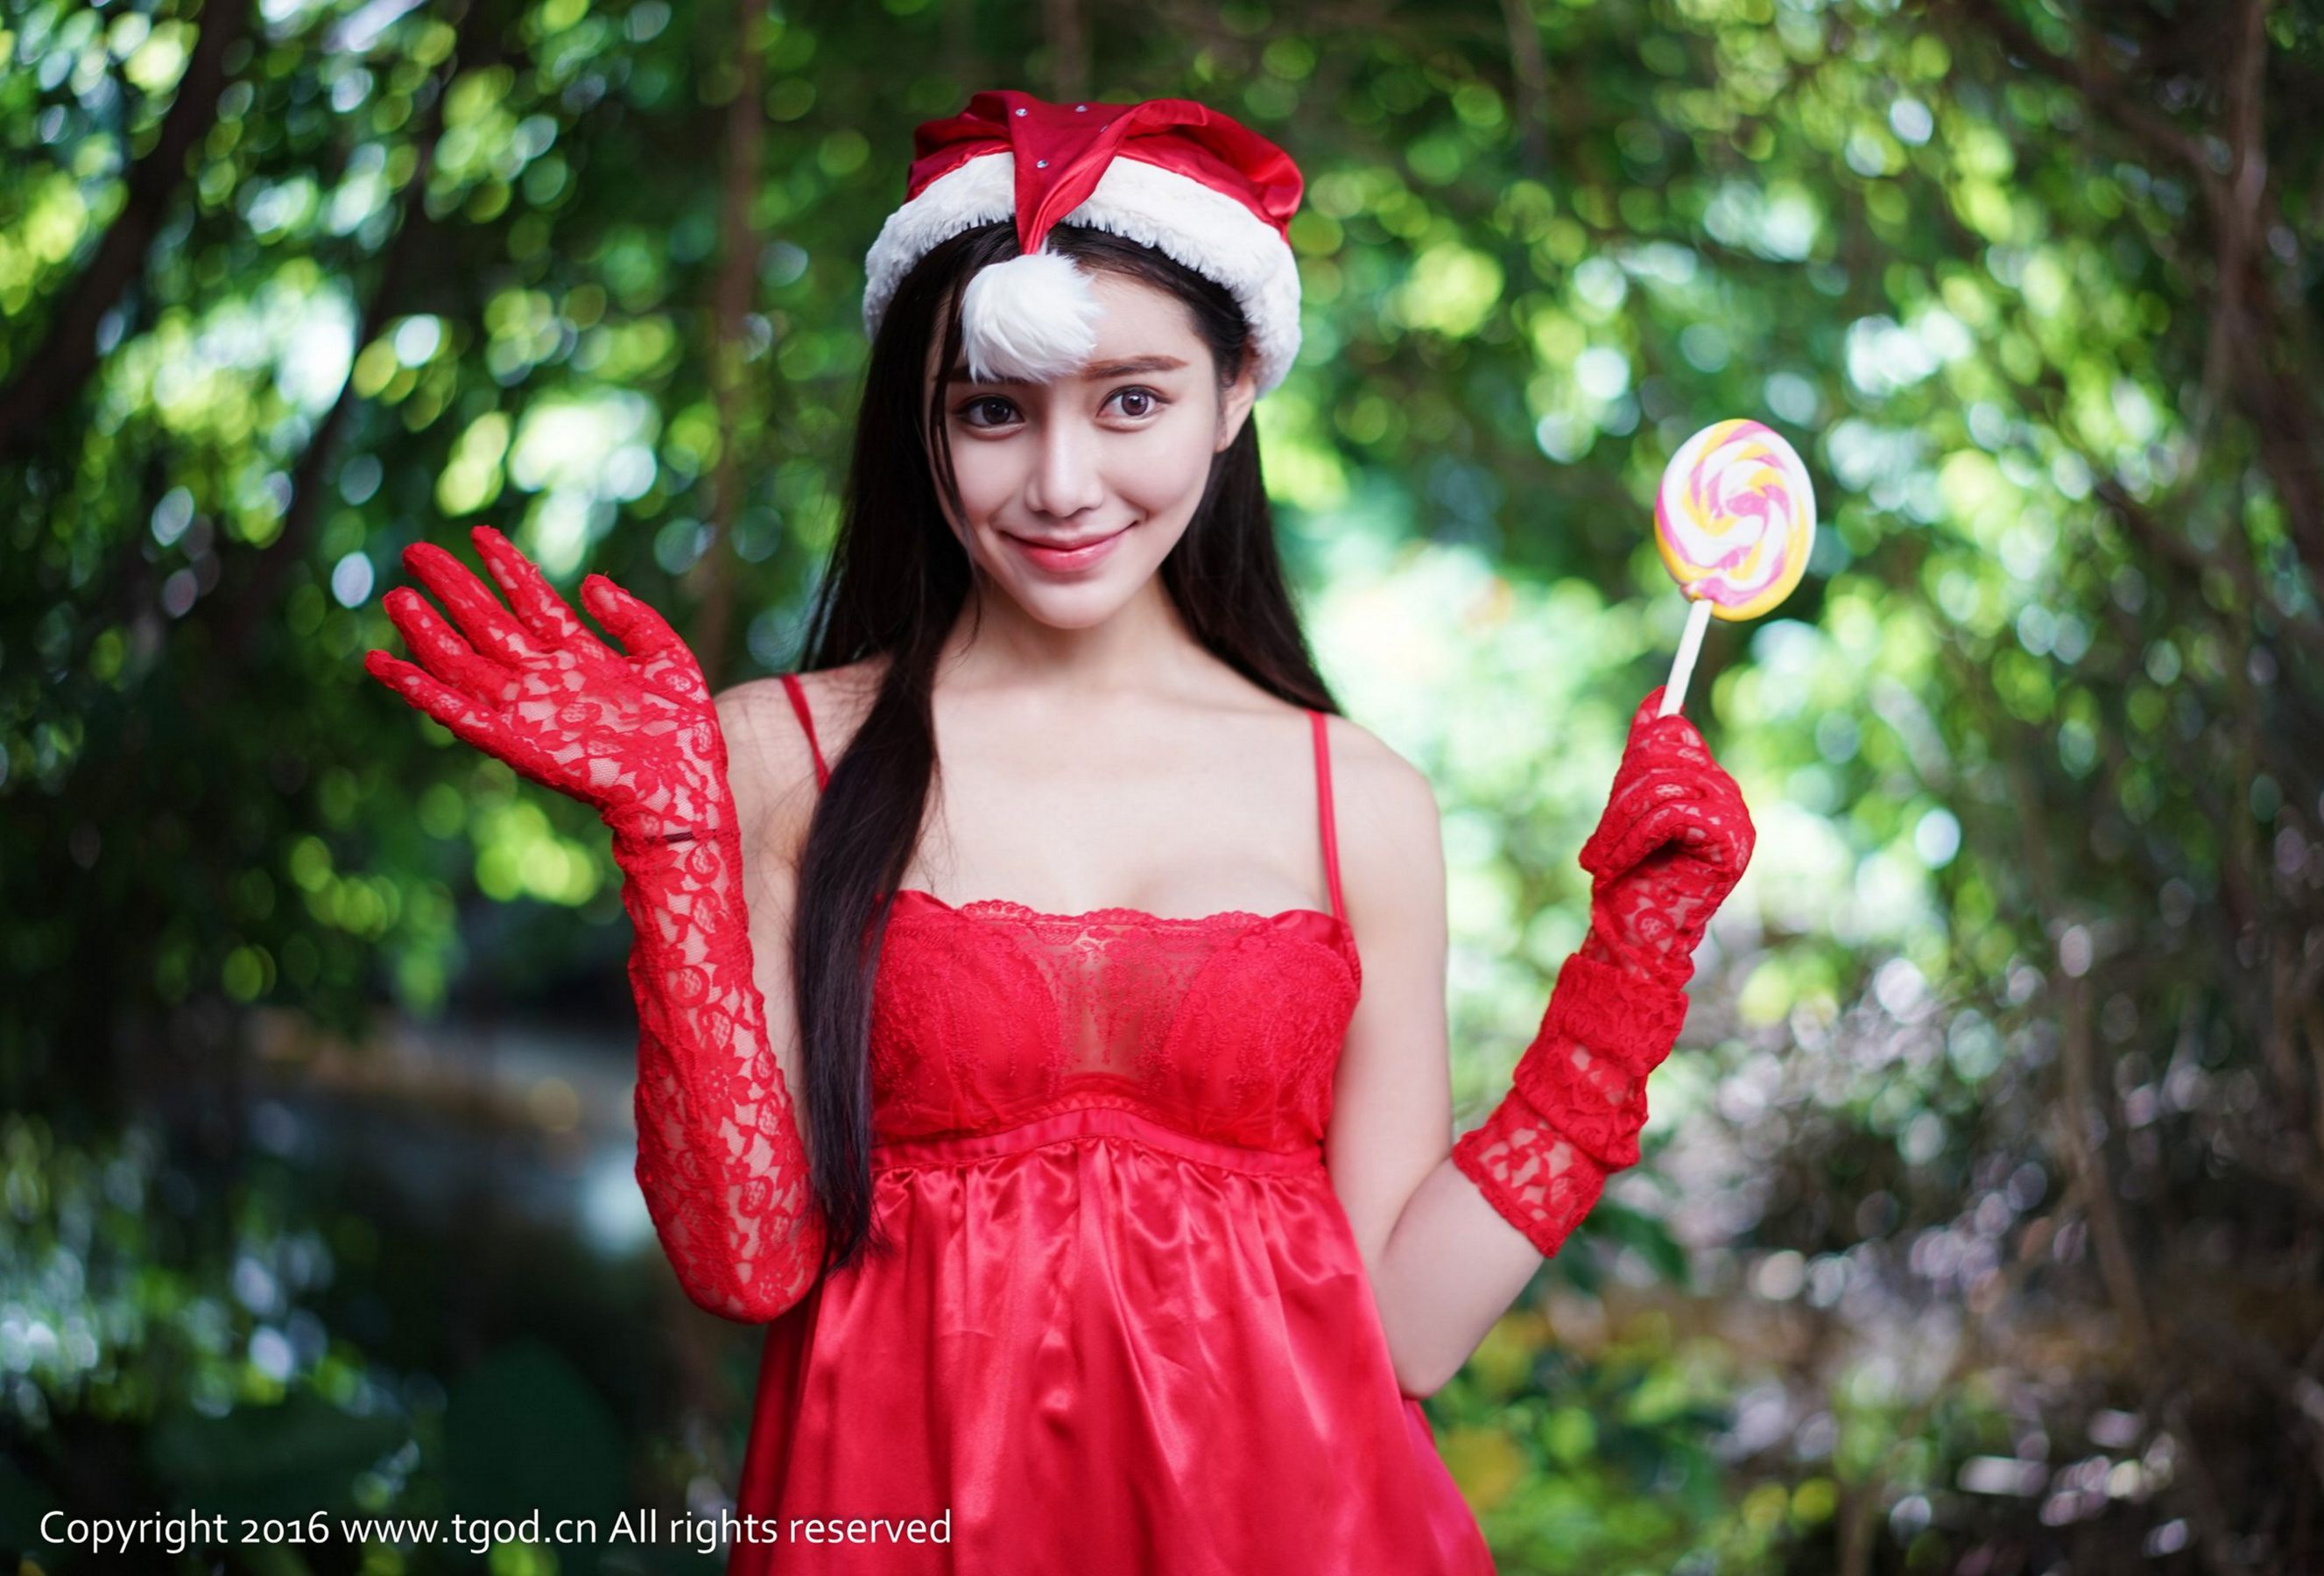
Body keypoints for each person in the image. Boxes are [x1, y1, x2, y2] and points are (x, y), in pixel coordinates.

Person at [363, 88, 1754, 1574]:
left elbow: (1403, 1331)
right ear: (925, 422)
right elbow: (744, 1259)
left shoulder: (1361, 801)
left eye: (1133, 400)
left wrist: (1624, 989)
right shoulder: (778, 755)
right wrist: (675, 842)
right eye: (993, 411)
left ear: (1235, 396)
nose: (1063, 484)